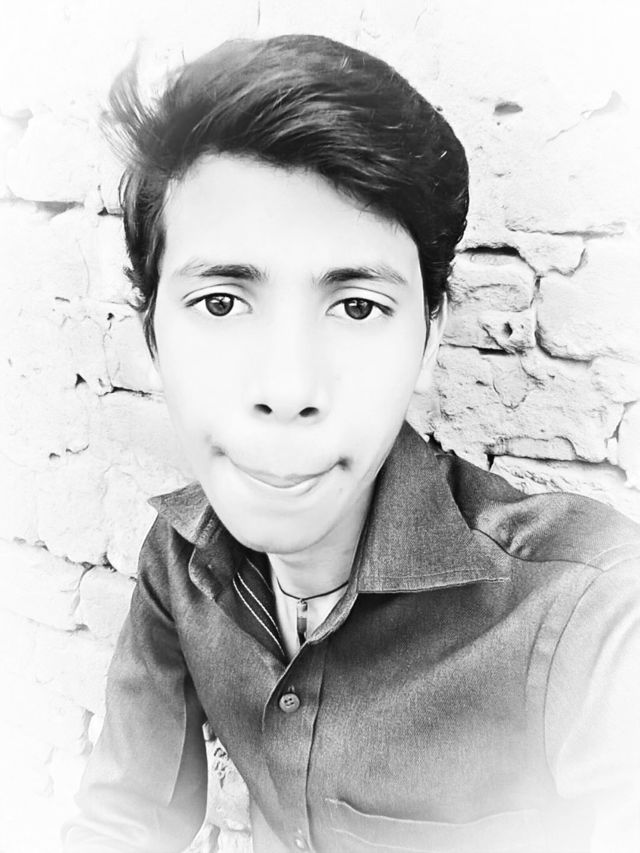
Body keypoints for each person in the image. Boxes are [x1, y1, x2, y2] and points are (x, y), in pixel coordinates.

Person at [63, 34, 640, 853]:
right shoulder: (178, 557)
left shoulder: (594, 610)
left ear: (430, 337)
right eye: (221, 303)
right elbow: (122, 822)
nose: (288, 387)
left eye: (358, 306)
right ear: (151, 335)